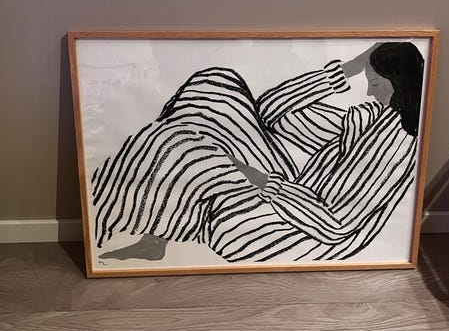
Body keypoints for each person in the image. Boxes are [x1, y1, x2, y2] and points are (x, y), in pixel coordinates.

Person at [93, 42, 424, 263]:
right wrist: (347, 69)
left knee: (191, 148)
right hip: (294, 194)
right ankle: (155, 235)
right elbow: (270, 110)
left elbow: (335, 225)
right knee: (214, 87)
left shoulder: (398, 147)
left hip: (296, 229)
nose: (368, 92)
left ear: (401, 82)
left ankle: (116, 218)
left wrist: (260, 180)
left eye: (375, 84)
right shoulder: (372, 117)